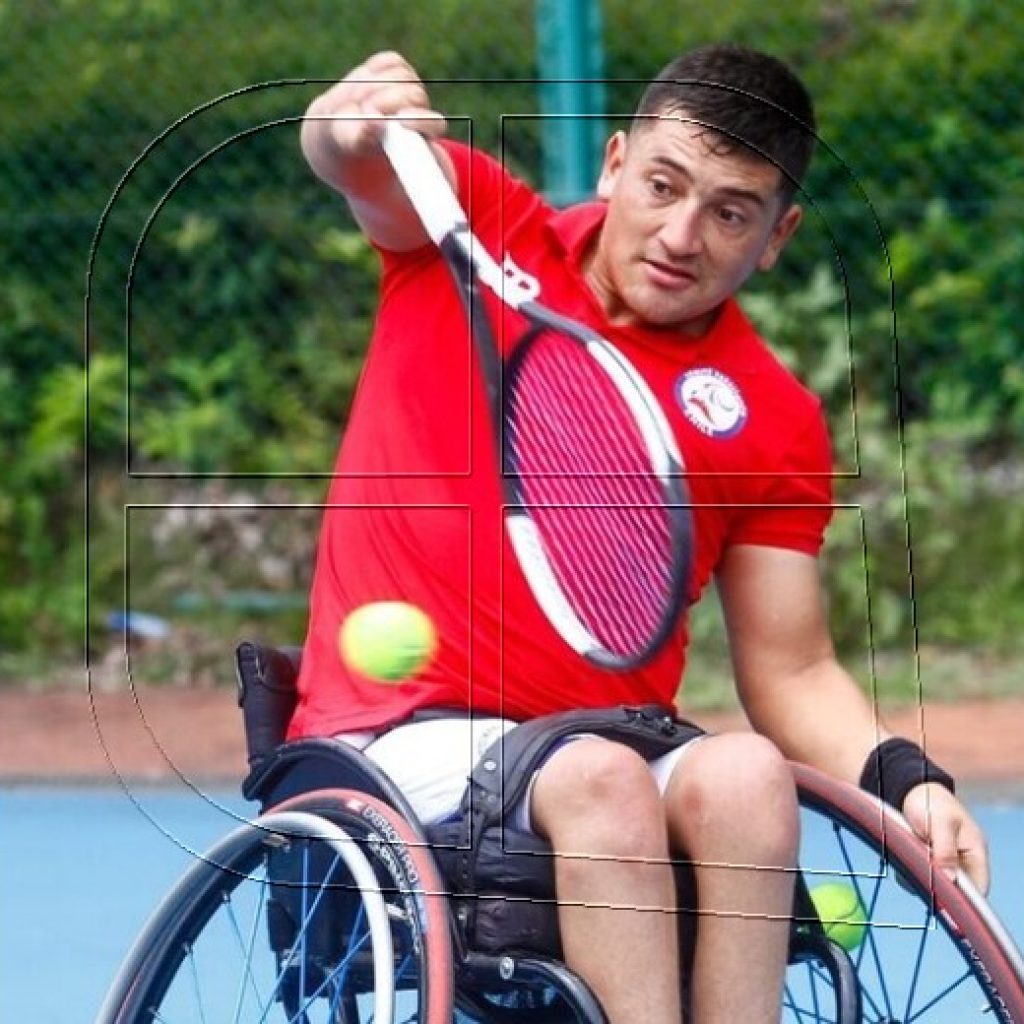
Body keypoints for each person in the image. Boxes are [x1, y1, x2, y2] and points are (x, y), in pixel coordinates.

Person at [290, 44, 989, 1023]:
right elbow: (354, 163)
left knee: (746, 773)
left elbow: (790, 671)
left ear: (776, 235)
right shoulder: (478, 236)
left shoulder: (773, 415)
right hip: (399, 732)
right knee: (606, 782)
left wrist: (904, 782)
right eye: (662, 185)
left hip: (601, 742)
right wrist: (351, 119)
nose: (679, 232)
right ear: (616, 163)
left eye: (729, 212)